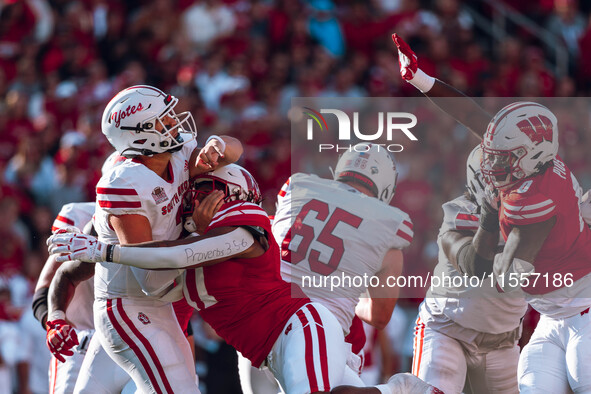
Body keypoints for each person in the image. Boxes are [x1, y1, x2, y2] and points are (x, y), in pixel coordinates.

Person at [48, 164, 441, 394]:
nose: (196, 195)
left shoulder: (247, 223)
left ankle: (402, 389)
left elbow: (180, 256)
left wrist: (103, 249)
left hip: (296, 329)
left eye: (208, 190)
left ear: (233, 196)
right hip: (258, 348)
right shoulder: (187, 233)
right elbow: (94, 271)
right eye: (196, 188)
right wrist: (55, 312)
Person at [394, 33, 591, 393]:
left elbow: (495, 271)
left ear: (530, 156)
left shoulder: (533, 199)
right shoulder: (537, 166)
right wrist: (422, 80)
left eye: (501, 158)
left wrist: (488, 218)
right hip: (551, 317)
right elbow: (473, 115)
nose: (491, 168)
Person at [45, 84, 243, 393]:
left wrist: (218, 146)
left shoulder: (176, 156)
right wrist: (196, 231)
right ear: (141, 135)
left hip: (159, 307)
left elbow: (234, 151)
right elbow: (151, 280)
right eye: (164, 120)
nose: (175, 123)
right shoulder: (124, 184)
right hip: (133, 307)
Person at [239, 143, 412, 393]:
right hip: (316, 334)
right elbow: (379, 316)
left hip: (258, 318)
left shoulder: (297, 186)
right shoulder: (389, 230)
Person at [413, 146, 527, 393]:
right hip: (447, 329)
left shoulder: (532, 213)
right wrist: (489, 216)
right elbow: (476, 265)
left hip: (503, 341)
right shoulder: (458, 212)